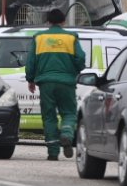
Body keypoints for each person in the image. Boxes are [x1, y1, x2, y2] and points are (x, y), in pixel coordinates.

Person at [24, 9, 85, 160]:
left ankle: (53, 152)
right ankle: (66, 134)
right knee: (69, 113)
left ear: (48, 22)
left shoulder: (39, 38)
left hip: (46, 84)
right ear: (63, 21)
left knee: (49, 116)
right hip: (67, 82)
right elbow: (81, 58)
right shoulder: (71, 37)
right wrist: (74, 71)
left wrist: (30, 79)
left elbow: (30, 62)